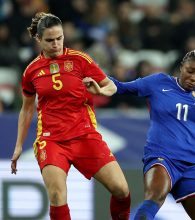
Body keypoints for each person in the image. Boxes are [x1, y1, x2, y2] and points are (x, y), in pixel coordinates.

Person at [85, 50, 195, 219]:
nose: (193, 78)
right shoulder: (158, 82)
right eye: (190, 71)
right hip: (162, 159)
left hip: (191, 166)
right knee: (155, 197)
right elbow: (122, 87)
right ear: (181, 67)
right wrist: (98, 78)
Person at [10, 12, 131, 220]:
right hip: (51, 139)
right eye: (50, 40)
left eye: (59, 38)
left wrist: (99, 92)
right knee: (57, 195)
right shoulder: (31, 71)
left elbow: (110, 86)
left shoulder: (80, 60)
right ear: (38, 40)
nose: (56, 44)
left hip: (84, 135)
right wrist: (19, 145)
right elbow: (27, 108)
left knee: (121, 190)